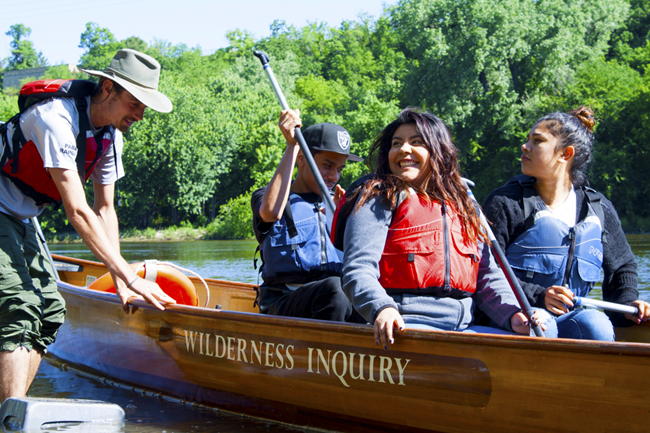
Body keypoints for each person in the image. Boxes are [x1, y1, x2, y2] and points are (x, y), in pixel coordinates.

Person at [0, 48, 177, 402]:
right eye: (135, 103)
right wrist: (130, 276)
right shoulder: (55, 118)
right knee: (20, 306)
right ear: (108, 87)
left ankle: (11, 408)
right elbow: (78, 211)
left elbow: (105, 209)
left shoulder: (110, 137)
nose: (140, 115)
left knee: (50, 309)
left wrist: (119, 280)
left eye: (145, 107)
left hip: (24, 214)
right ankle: (11, 416)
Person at [337, 107, 555, 350]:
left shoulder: (465, 205)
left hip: (463, 326)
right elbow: (357, 268)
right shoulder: (378, 197)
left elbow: (488, 276)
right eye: (396, 143)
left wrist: (514, 315)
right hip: (405, 322)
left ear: (438, 151)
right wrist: (381, 307)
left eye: (416, 142)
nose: (403, 149)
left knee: (544, 330)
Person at [483, 106, 650, 341]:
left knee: (597, 324)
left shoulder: (599, 209)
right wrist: (539, 296)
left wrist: (629, 305)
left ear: (565, 154)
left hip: (566, 319)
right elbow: (485, 271)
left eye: (537, 141)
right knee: (543, 325)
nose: (524, 146)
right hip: (512, 319)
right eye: (527, 139)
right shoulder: (505, 203)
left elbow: (622, 268)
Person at [251, 109, 363, 321]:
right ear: (301, 159)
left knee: (363, 294)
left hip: (335, 299)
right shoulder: (268, 197)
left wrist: (345, 220)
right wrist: (292, 145)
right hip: (285, 300)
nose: (334, 176)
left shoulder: (340, 202)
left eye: (340, 169)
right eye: (327, 166)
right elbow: (270, 211)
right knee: (336, 290)